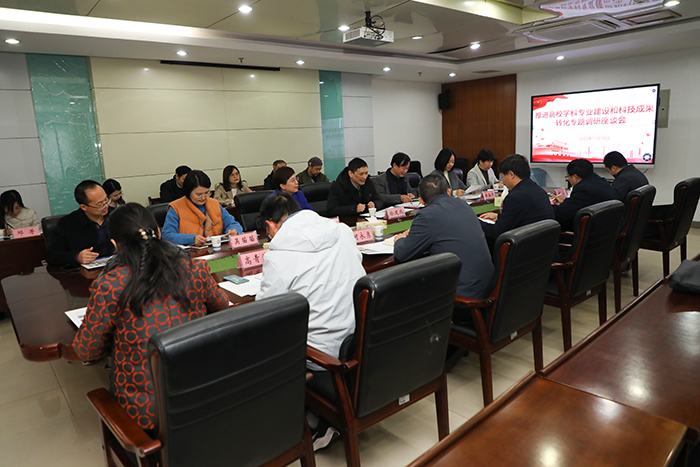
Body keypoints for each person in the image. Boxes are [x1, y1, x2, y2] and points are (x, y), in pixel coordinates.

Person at [73, 203, 229, 431]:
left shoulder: (109, 285)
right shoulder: (194, 268)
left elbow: (86, 350)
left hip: (147, 414)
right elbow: (223, 307)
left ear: (115, 244)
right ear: (158, 232)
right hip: (204, 391)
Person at [256, 192, 365, 449]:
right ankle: (317, 414)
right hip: (359, 339)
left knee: (265, 341)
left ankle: (295, 417)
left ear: (271, 224)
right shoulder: (341, 231)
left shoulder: (278, 254)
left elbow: (266, 310)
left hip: (321, 356)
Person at [394, 174, 493, 302]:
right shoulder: (463, 204)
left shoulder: (426, 215)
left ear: (421, 201)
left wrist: (400, 239)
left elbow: (402, 254)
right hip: (490, 287)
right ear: (448, 192)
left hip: (464, 296)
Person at [479, 154, 554, 241]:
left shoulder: (515, 197)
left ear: (511, 174)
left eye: (503, 177)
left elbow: (497, 232)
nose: (503, 182)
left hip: (525, 246)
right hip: (543, 245)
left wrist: (477, 222)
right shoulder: (539, 190)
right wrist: (499, 217)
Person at [162, 169, 243, 245]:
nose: (203, 197)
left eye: (207, 193)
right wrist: (191, 239)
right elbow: (167, 235)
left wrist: (234, 230)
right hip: (191, 252)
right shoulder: (176, 207)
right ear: (188, 192)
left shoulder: (214, 203)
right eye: (198, 194)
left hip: (216, 248)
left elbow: (232, 223)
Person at [46, 180, 116, 266]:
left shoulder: (118, 215)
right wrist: (77, 257)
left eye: (106, 200)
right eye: (100, 204)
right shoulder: (67, 224)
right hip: (85, 271)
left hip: (118, 268)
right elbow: (52, 255)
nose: (106, 206)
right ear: (84, 207)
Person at [553, 158, 616, 231]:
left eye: (568, 176)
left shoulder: (583, 189)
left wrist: (546, 207)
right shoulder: (601, 182)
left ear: (575, 177)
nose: (568, 179)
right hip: (605, 228)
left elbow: (561, 213)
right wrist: (565, 202)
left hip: (589, 231)